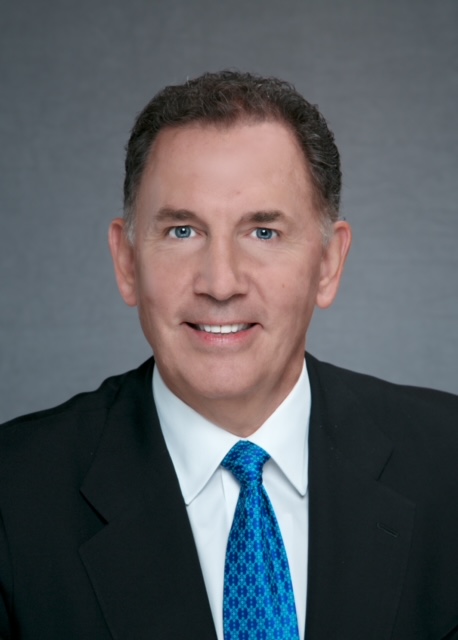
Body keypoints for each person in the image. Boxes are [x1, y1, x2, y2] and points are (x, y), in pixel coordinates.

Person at [1, 71, 458, 640]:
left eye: (263, 232)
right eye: (182, 231)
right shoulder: (14, 497)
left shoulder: (449, 464)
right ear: (126, 262)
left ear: (328, 264)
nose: (220, 283)